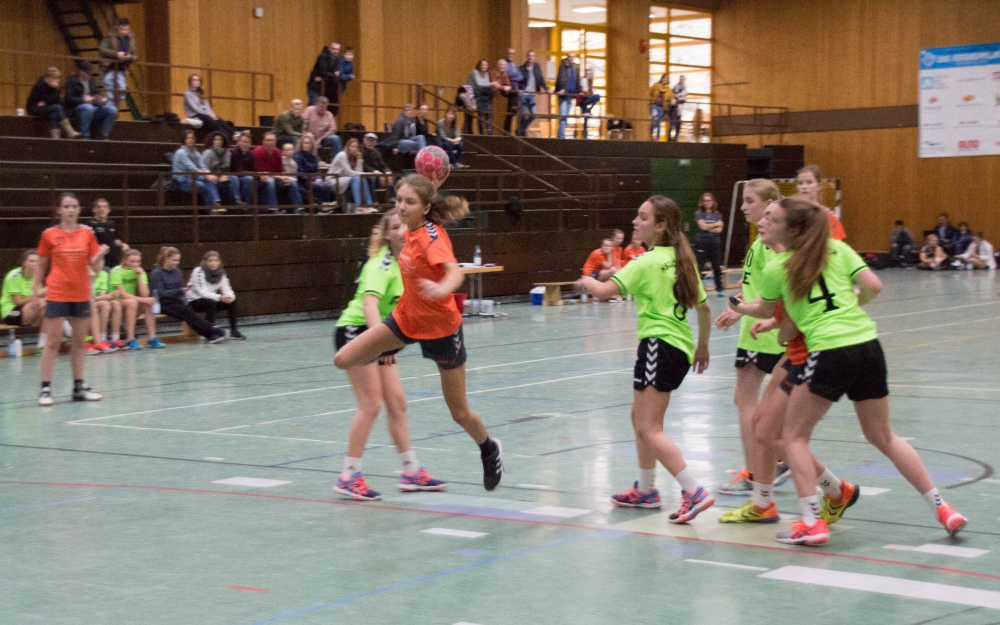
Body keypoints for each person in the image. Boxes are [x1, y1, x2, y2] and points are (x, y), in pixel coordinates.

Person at [731, 196, 967, 545]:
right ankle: (943, 508)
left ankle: (811, 522)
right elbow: (874, 286)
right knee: (884, 436)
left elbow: (766, 308)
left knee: (793, 437)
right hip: (867, 343)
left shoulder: (777, 266)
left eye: (773, 219)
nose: (764, 223)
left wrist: (738, 307)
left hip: (829, 349)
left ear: (793, 229)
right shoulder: (836, 249)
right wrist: (850, 307)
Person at [333, 174, 504, 492]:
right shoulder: (406, 234)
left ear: (425, 208)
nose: (401, 207)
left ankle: (488, 448)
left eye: (409, 202)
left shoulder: (431, 236)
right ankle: (396, 469)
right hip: (405, 321)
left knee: (459, 412)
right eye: (398, 200)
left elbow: (454, 272)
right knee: (343, 359)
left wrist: (441, 289)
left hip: (442, 329)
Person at [575, 196, 714, 523]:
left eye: (642, 217)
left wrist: (585, 280)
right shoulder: (681, 259)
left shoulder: (646, 262)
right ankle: (646, 489)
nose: (635, 222)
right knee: (639, 417)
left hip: (658, 345)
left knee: (649, 428)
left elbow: (604, 292)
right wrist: (703, 347)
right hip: (679, 347)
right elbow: (705, 309)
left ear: (661, 226)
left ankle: (693, 490)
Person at [334, 210, 446, 499]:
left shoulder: (407, 261)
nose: (401, 231)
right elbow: (369, 305)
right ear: (386, 234)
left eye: (404, 225)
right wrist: (381, 344)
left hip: (380, 334)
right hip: (357, 331)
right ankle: (349, 476)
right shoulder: (380, 264)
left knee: (397, 403)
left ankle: (411, 471)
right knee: (370, 405)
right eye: (395, 227)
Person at [713, 180, 786, 497]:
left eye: (750, 200)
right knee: (764, 406)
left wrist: (748, 312)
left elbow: (780, 289)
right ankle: (777, 462)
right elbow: (762, 289)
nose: (743, 207)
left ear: (769, 203)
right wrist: (740, 309)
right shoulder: (761, 241)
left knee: (746, 402)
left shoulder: (770, 243)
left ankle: (757, 474)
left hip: (762, 334)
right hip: (767, 328)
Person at [34, 192, 109, 406]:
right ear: (59, 210)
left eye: (74, 206)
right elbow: (41, 266)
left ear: (79, 209)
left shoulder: (87, 233)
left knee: (79, 342)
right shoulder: (49, 234)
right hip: (57, 292)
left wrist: (100, 255)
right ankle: (45, 389)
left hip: (81, 293)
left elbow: (95, 266)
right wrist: (35, 293)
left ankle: (79, 387)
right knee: (53, 342)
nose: (70, 210)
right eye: (66, 206)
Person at [149, 247, 224, 343]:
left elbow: (181, 290)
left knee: (189, 312)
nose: (177, 263)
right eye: (174, 260)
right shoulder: (157, 273)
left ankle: (210, 335)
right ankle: (212, 329)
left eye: (178, 260)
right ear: (166, 258)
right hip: (163, 303)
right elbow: (160, 293)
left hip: (178, 300)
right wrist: (179, 291)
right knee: (187, 313)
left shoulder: (177, 271)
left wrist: (184, 299)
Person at [109, 249, 164, 350]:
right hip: (116, 303)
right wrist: (143, 300)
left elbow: (145, 294)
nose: (135, 264)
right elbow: (123, 294)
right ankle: (130, 339)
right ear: (125, 260)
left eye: (138, 261)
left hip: (131, 302)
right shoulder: (116, 271)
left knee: (147, 303)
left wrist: (139, 276)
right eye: (132, 261)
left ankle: (152, 338)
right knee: (133, 302)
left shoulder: (140, 271)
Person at [187, 251, 244, 340]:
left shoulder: (221, 273)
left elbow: (227, 289)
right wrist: (219, 297)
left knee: (232, 302)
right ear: (205, 262)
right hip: (193, 301)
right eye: (210, 261)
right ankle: (209, 332)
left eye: (216, 260)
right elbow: (202, 292)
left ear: (219, 262)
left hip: (211, 299)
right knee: (211, 302)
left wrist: (230, 297)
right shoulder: (198, 271)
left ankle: (234, 331)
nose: (213, 263)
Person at [173, 129, 223, 213]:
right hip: (182, 180)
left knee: (211, 181)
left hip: (193, 177)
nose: (190, 140)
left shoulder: (195, 151)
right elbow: (191, 168)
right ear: (184, 140)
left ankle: (217, 203)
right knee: (202, 185)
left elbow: (202, 165)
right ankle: (210, 210)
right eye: (188, 138)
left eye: (192, 138)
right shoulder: (181, 152)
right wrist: (207, 176)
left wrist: (209, 175)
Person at [64, 60, 117, 140]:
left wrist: (99, 99)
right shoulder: (72, 80)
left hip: (92, 106)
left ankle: (104, 135)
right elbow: (69, 98)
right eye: (87, 73)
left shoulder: (91, 80)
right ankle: (85, 136)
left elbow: (95, 93)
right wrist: (83, 99)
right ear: (81, 72)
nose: (89, 76)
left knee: (112, 110)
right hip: (77, 108)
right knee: (87, 107)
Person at [253, 132, 303, 211]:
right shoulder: (258, 151)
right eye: (268, 140)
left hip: (276, 178)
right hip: (260, 179)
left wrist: (285, 177)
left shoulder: (278, 152)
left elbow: (281, 170)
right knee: (270, 181)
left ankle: (298, 208)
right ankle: (273, 209)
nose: (271, 142)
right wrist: (280, 177)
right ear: (263, 142)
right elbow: (263, 174)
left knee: (293, 180)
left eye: (273, 140)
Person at [27, 67, 79, 139]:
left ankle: (55, 138)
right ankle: (69, 130)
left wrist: (56, 90)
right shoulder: (40, 85)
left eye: (57, 78)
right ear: (49, 78)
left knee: (54, 114)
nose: (57, 80)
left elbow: (56, 102)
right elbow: (48, 101)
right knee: (57, 107)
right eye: (55, 78)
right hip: (35, 108)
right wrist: (54, 90)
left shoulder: (54, 88)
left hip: (48, 107)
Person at [796, 165, 846, 240]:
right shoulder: (789, 214)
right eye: (800, 183)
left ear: (818, 185)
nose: (804, 187)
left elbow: (836, 244)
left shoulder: (828, 216)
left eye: (809, 182)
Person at [2, 250, 46, 331]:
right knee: (43, 303)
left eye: (37, 261)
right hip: (11, 312)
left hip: (26, 309)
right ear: (24, 263)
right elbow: (17, 302)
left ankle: (33, 334)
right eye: (31, 261)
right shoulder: (13, 276)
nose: (34, 264)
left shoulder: (37, 277)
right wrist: (38, 294)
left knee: (46, 307)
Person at [329, 138, 375, 213]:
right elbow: (349, 172)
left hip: (345, 179)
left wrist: (359, 160)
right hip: (334, 179)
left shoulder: (354, 157)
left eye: (357, 147)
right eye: (353, 146)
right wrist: (366, 174)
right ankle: (359, 206)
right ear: (348, 147)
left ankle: (369, 205)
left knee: (361, 178)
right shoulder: (342, 155)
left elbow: (358, 172)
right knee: (357, 178)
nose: (355, 149)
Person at [98, 17, 136, 107]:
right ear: (118, 28)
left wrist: (130, 57)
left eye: (126, 29)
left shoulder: (131, 38)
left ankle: (112, 110)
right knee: (110, 92)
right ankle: (109, 110)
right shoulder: (110, 36)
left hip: (121, 69)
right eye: (122, 29)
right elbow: (102, 49)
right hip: (109, 67)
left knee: (121, 91)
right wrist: (116, 54)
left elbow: (135, 55)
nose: (124, 32)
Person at [694, 192, 725, 297]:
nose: (707, 203)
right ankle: (696, 290)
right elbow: (703, 227)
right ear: (702, 202)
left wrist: (708, 227)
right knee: (699, 267)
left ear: (713, 202)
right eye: (705, 201)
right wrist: (716, 224)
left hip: (715, 243)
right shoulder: (699, 213)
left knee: (716, 267)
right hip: (702, 243)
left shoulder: (717, 214)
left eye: (709, 200)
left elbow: (719, 230)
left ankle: (719, 289)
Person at [87, 198, 128, 270]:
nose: (102, 209)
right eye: (99, 207)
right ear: (94, 209)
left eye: (105, 207)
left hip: (114, 261)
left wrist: (122, 244)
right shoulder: (90, 224)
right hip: (100, 263)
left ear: (109, 210)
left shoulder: (112, 224)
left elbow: (116, 240)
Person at [294, 133, 334, 206]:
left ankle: (325, 204)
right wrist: (313, 179)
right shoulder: (298, 156)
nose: (307, 145)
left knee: (327, 185)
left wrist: (319, 177)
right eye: (305, 143)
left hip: (313, 179)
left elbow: (317, 170)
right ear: (301, 144)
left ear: (312, 145)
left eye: (309, 143)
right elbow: (300, 173)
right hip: (303, 181)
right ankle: (320, 204)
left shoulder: (314, 157)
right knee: (318, 185)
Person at [201, 132, 240, 205]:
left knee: (234, 178)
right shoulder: (208, 153)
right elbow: (203, 169)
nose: (218, 142)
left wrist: (223, 176)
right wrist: (218, 178)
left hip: (223, 175)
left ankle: (237, 201)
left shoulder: (227, 153)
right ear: (212, 141)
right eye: (215, 140)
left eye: (220, 140)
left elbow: (226, 169)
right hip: (209, 177)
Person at [86, 266, 116, 354]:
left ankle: (99, 341)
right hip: (70, 303)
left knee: (93, 307)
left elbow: (91, 298)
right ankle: (84, 342)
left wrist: (90, 280)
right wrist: (107, 296)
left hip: (89, 302)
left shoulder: (102, 275)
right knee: (87, 307)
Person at [518, 50, 548, 136]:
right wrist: (519, 90)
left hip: (532, 95)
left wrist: (546, 89)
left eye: (532, 56)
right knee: (522, 116)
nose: (531, 57)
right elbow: (518, 81)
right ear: (527, 57)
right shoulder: (522, 68)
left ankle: (521, 129)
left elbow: (541, 79)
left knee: (534, 114)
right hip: (523, 94)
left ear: (534, 57)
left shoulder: (537, 67)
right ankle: (522, 134)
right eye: (529, 56)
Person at [362, 132, 395, 202]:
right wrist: (375, 172)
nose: (370, 143)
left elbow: (382, 164)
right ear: (364, 140)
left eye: (372, 141)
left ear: (376, 142)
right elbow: (363, 165)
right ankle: (374, 202)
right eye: (368, 140)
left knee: (390, 177)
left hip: (378, 174)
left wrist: (387, 172)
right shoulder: (361, 150)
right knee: (371, 179)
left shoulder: (376, 151)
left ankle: (392, 198)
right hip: (366, 174)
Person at [228, 131, 257, 206]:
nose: (245, 144)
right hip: (233, 175)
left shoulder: (251, 154)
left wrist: (259, 175)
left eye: (247, 142)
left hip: (244, 177)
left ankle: (245, 205)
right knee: (237, 178)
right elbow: (238, 171)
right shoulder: (233, 152)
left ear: (250, 144)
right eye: (243, 142)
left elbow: (254, 169)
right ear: (238, 142)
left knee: (250, 179)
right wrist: (256, 174)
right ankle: (237, 203)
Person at [307, 42, 341, 107]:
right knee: (313, 106)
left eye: (337, 49)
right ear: (329, 48)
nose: (335, 51)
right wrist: (334, 75)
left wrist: (334, 75)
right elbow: (323, 72)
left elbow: (337, 73)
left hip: (326, 87)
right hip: (315, 86)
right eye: (334, 49)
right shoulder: (322, 57)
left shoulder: (337, 60)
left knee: (326, 107)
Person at [554, 52, 579, 139]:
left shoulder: (575, 67)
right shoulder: (563, 64)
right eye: (569, 57)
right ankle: (562, 136)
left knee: (565, 117)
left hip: (570, 95)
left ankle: (559, 135)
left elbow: (577, 80)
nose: (571, 58)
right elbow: (561, 77)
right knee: (563, 116)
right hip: (564, 95)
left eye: (572, 57)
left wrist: (578, 92)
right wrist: (562, 88)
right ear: (567, 57)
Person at [468, 60, 495, 135]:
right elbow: (479, 84)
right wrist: (491, 84)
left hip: (482, 93)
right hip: (473, 93)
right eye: (483, 65)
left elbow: (485, 85)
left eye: (486, 65)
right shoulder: (474, 72)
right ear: (479, 65)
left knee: (488, 112)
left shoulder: (486, 74)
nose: (484, 66)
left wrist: (489, 85)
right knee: (480, 113)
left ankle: (489, 132)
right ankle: (481, 132)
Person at [503, 48, 524, 135]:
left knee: (512, 112)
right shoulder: (504, 64)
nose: (510, 55)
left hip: (515, 90)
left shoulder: (514, 65)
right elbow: (509, 75)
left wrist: (513, 78)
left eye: (512, 54)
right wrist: (514, 78)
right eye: (509, 53)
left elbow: (521, 76)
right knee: (511, 111)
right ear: (506, 54)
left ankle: (509, 131)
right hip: (508, 89)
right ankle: (506, 131)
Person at [576, 68, 601, 139]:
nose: (589, 75)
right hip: (582, 101)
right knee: (597, 96)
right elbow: (584, 91)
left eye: (590, 74)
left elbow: (589, 93)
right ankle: (588, 110)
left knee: (586, 118)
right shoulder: (583, 81)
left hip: (585, 100)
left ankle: (585, 135)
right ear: (585, 74)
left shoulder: (589, 83)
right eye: (587, 74)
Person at [491, 59, 513, 135]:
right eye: (500, 64)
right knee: (485, 114)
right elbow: (495, 85)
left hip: (494, 94)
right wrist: (504, 87)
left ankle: (513, 108)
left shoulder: (505, 75)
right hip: (486, 93)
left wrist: (507, 87)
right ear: (497, 65)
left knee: (513, 94)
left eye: (503, 65)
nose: (502, 66)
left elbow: (509, 86)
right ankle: (487, 134)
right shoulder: (493, 73)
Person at [649, 74, 671, 140]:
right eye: (664, 78)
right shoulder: (656, 85)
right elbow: (649, 93)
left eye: (667, 78)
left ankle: (657, 138)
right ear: (662, 78)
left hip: (662, 107)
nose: (665, 79)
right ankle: (651, 136)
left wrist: (672, 100)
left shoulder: (669, 89)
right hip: (654, 105)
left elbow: (671, 97)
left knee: (658, 122)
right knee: (654, 120)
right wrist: (651, 101)